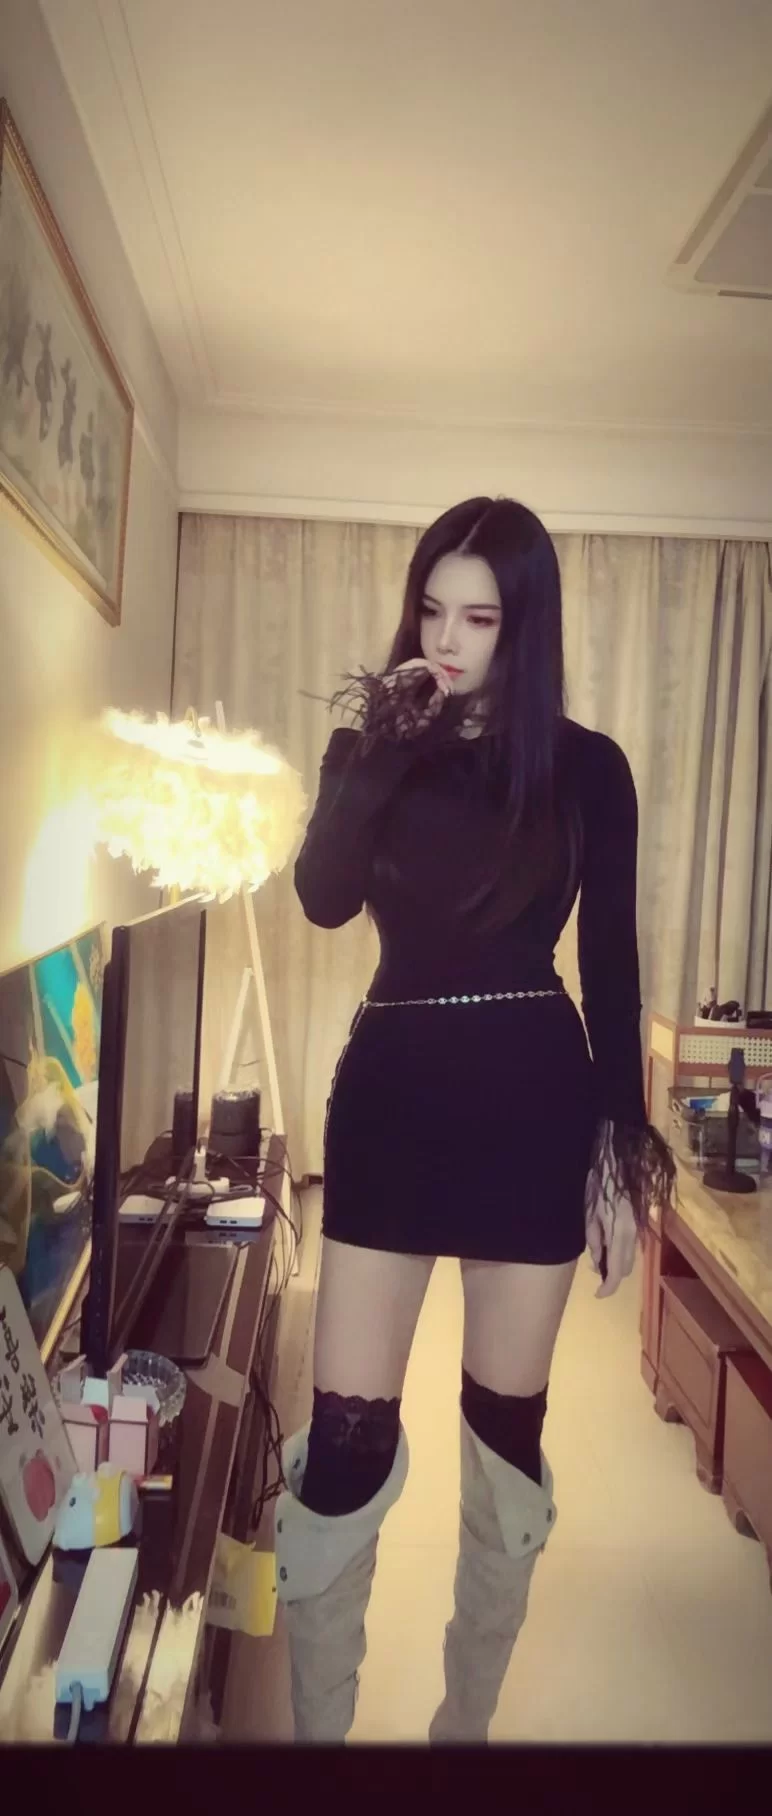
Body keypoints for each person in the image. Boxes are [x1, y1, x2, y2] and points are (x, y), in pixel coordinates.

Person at [276, 496, 675, 1745]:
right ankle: (321, 1750)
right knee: (343, 1448)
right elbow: (322, 897)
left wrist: (618, 1144)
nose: (445, 639)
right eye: (431, 609)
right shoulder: (370, 747)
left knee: (505, 1450)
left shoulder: (587, 768)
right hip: (390, 1106)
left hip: (530, 1112)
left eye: (479, 617)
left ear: (524, 625)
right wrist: (377, 753)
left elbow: (610, 966)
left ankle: (463, 1740)